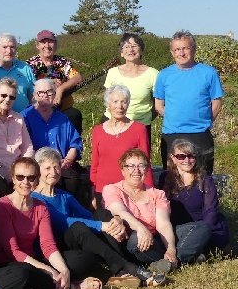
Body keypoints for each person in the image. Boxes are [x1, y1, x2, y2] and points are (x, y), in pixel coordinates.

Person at [32, 148, 164, 288]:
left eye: (56, 167)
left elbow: (90, 216)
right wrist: (102, 226)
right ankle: (127, 267)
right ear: (38, 170)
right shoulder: (36, 198)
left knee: (103, 214)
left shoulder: (64, 195)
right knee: (78, 227)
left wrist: (115, 220)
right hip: (57, 246)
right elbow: (63, 222)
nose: (53, 172)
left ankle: (122, 266)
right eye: (47, 168)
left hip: (76, 237)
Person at [0, 158, 103, 289]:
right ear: (13, 179)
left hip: (33, 260)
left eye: (31, 177)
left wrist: (64, 271)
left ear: (37, 180)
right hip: (8, 264)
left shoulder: (40, 207)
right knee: (23, 273)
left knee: (84, 257)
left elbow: (48, 245)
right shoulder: (3, 206)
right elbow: (14, 252)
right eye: (20, 177)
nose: (25, 182)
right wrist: (50, 271)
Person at [102, 148, 211, 274]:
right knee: (135, 241)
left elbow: (163, 223)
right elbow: (120, 212)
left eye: (141, 166)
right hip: (133, 239)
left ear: (147, 170)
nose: (136, 170)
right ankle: (184, 258)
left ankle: (172, 261)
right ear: (123, 170)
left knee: (202, 227)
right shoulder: (112, 189)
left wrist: (170, 249)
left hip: (158, 238)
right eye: (130, 166)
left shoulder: (157, 194)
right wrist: (141, 228)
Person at [160, 139, 238, 258]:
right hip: (181, 229)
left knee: (217, 253)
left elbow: (211, 211)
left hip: (206, 227)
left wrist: (202, 234)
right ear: (173, 157)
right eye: (181, 156)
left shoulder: (205, 181)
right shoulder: (165, 179)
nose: (187, 160)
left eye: (191, 156)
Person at [155, 30, 224, 173]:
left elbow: (216, 103)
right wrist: (175, 118)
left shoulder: (208, 73)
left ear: (194, 49)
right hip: (172, 135)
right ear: (172, 52)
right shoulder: (164, 75)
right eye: (177, 49)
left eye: (185, 48)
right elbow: (159, 105)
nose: (181, 53)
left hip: (200, 134)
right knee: (172, 181)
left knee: (203, 179)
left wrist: (204, 122)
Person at [21, 78, 85, 200]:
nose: (45, 95)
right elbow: (24, 146)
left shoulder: (63, 118)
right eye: (41, 93)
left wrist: (68, 160)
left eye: (49, 92)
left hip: (61, 164)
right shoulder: (25, 116)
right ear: (34, 95)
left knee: (73, 181)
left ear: (54, 94)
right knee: (55, 182)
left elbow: (75, 143)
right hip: (37, 164)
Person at [90, 85, 153, 206]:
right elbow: (95, 164)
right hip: (103, 190)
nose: (119, 106)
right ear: (108, 104)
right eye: (115, 102)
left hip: (131, 190)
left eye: (124, 102)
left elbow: (146, 164)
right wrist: (93, 192)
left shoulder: (139, 129)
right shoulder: (97, 131)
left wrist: (149, 192)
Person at [103, 33, 159, 141]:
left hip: (141, 127)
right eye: (126, 47)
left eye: (134, 46)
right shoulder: (112, 72)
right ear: (122, 53)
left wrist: (145, 119)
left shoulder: (153, 74)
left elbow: (157, 104)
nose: (130, 50)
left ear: (141, 50)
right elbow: (108, 100)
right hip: (112, 125)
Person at [27, 30, 84, 134]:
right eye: (43, 42)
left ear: (56, 44)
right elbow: (27, 84)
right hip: (39, 109)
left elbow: (77, 77)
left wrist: (61, 89)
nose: (47, 45)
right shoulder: (30, 64)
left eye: (50, 42)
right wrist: (49, 83)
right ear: (37, 45)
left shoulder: (62, 62)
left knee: (75, 115)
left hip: (62, 107)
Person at [0, 33, 35, 112]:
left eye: (12, 47)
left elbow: (33, 96)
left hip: (23, 119)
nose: (9, 51)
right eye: (5, 47)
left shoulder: (25, 68)